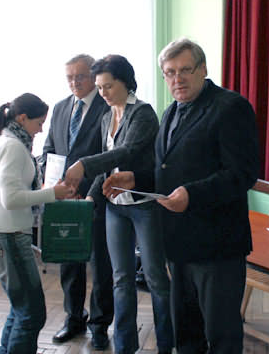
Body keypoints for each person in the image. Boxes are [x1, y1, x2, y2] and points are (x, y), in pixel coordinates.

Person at [102, 38, 260, 353]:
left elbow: (242, 174)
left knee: (221, 336)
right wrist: (136, 179)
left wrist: (191, 194)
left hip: (217, 246)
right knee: (186, 334)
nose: (178, 79)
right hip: (178, 243)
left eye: (185, 70)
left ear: (203, 69)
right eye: (170, 72)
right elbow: (169, 171)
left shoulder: (230, 107)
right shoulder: (171, 111)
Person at [64, 55, 173, 354]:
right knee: (121, 278)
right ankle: (125, 346)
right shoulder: (105, 117)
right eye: (99, 87)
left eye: (109, 86)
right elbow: (107, 169)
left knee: (155, 277)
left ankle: (167, 344)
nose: (103, 93)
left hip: (144, 205)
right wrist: (92, 196)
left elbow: (126, 152)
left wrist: (83, 165)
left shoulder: (143, 114)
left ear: (126, 82)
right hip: (115, 206)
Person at [0, 93, 73, 353]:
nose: (41, 130)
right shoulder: (13, 147)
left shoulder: (6, 142)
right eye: (39, 123)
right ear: (22, 118)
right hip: (5, 235)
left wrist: (49, 191)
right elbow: (11, 199)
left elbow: (14, 192)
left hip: (1, 234)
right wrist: (52, 193)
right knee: (31, 314)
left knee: (21, 308)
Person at [40, 54, 113, 350]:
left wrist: (87, 192)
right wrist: (53, 184)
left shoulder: (107, 107)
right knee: (69, 262)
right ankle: (74, 318)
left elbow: (108, 156)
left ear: (93, 76)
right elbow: (49, 150)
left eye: (80, 76)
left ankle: (100, 325)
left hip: (95, 197)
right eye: (69, 77)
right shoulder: (60, 108)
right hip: (64, 197)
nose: (74, 82)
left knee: (101, 265)